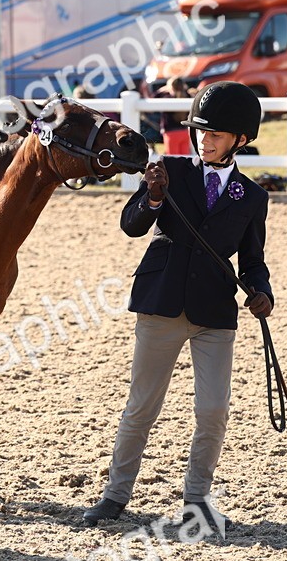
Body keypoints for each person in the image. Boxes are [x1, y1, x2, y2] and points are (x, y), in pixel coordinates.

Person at [82, 81, 275, 534]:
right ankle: (115, 494)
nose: (204, 140)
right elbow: (131, 225)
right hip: (161, 302)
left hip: (214, 313)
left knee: (213, 410)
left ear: (240, 140)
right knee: (142, 407)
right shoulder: (167, 170)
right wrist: (152, 197)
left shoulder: (252, 198)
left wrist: (262, 291)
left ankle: (197, 500)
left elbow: (252, 260)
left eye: (215, 134)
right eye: (200, 131)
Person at [157, 76, 194, 155]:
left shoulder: (167, 98)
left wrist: (160, 90)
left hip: (171, 133)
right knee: (185, 158)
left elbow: (153, 98)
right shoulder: (188, 97)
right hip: (185, 132)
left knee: (173, 158)